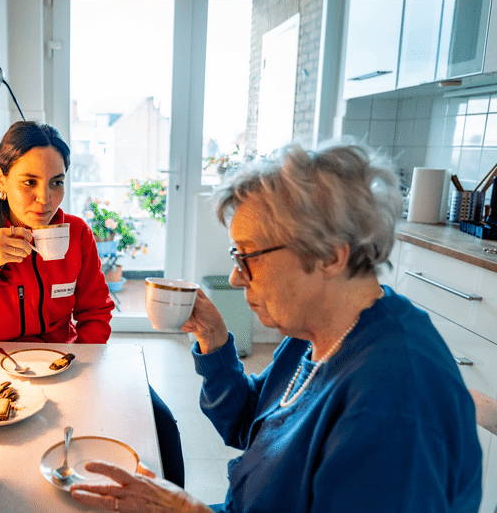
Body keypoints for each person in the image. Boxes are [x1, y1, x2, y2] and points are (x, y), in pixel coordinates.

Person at [69, 142, 483, 512]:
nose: (234, 277)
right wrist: (214, 340)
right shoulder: (320, 331)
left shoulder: (393, 403)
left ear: (330, 257)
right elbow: (253, 420)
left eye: (248, 255)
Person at [0, 120, 184, 486]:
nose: (45, 199)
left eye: (56, 182)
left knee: (160, 422)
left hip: (63, 366)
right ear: (1, 179)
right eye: (30, 182)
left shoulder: (76, 233)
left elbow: (96, 311)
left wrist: (78, 365)